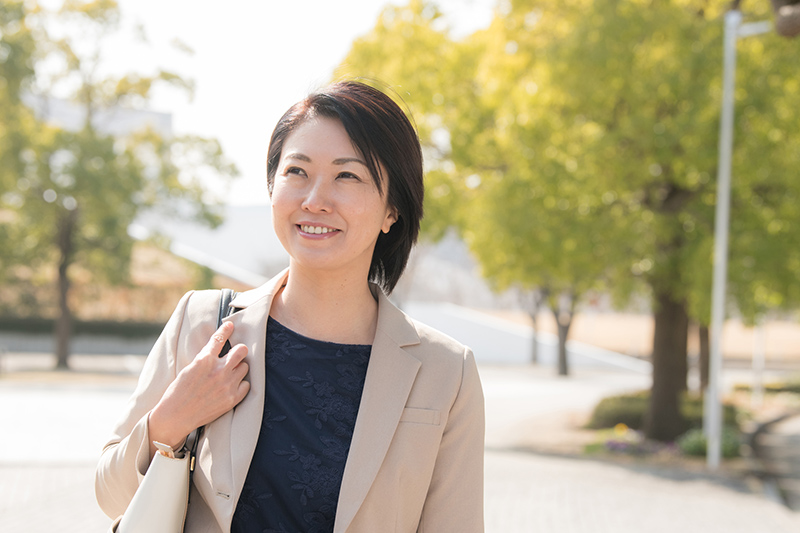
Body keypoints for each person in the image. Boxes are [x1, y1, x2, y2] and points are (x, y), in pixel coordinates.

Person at [95, 80, 485, 533]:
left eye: (347, 176)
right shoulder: (203, 325)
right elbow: (110, 497)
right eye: (296, 171)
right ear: (272, 186)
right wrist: (172, 419)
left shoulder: (445, 373)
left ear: (391, 211)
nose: (315, 200)